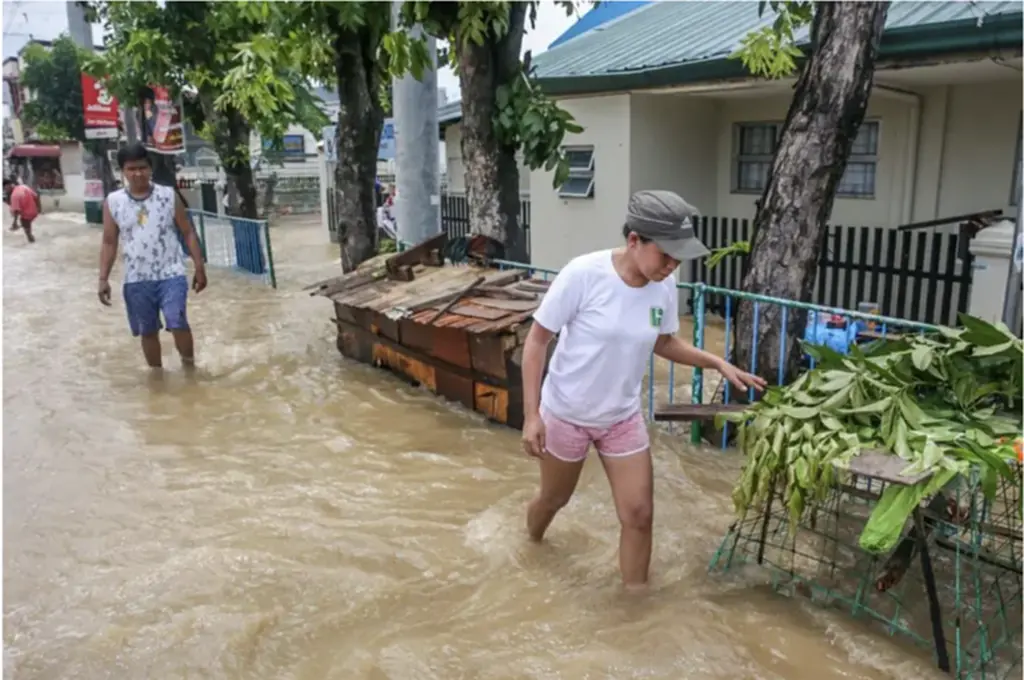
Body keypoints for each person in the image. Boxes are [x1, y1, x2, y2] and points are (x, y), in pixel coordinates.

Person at [520, 189, 767, 590]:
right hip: (566, 413)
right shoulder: (583, 275)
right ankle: (530, 541)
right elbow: (537, 340)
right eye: (665, 255)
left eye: (678, 257)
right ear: (634, 240)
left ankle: (635, 603)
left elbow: (664, 342)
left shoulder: (663, 285)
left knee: (639, 515)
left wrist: (716, 361)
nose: (672, 266)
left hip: (621, 416)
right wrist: (532, 416)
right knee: (554, 500)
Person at [98, 142, 208, 369]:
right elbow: (109, 241)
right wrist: (103, 279)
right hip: (136, 279)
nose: (137, 173)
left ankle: (190, 368)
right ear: (123, 171)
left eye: (142, 167)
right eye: (131, 169)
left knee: (177, 321)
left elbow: (187, 232)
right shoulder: (113, 202)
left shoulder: (168, 196)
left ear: (150, 168)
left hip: (172, 273)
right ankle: (157, 377)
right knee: (147, 331)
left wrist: (199, 266)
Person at [4, 178, 40, 243]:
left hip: (27, 214)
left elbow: (16, 211)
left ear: (7, 186)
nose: (5, 190)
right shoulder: (23, 186)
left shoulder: (14, 195)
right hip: (34, 211)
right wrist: (39, 208)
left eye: (4, 189)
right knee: (25, 225)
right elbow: (36, 196)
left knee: (26, 229)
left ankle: (31, 241)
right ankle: (28, 233)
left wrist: (14, 223)